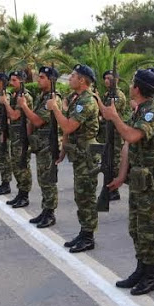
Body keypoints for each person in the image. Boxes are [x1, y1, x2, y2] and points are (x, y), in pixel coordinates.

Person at [101, 69, 154, 295]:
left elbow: (131, 136)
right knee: (137, 229)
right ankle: (141, 269)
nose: (130, 86)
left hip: (152, 180)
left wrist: (115, 117)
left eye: (132, 83)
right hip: (139, 179)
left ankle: (151, 275)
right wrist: (121, 176)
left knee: (149, 229)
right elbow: (128, 147)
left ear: (138, 88)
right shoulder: (140, 111)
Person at [47, 64, 100, 253]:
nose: (70, 78)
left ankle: (88, 236)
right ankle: (84, 231)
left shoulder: (87, 101)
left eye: (73, 76)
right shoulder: (75, 98)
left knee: (86, 195)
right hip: (77, 152)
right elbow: (68, 132)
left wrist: (55, 109)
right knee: (80, 195)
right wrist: (63, 150)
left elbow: (69, 126)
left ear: (83, 80)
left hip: (86, 153)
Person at [18, 66, 60, 228]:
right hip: (40, 144)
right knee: (43, 179)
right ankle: (45, 209)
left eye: (42, 77)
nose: (38, 79)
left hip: (48, 145)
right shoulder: (42, 97)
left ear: (51, 80)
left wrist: (24, 106)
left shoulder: (53, 98)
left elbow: (37, 121)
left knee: (48, 180)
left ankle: (50, 213)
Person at [96, 69, 130, 201]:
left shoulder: (118, 96)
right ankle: (108, 187)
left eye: (110, 78)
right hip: (107, 132)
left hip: (115, 133)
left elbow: (107, 112)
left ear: (116, 79)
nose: (106, 80)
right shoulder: (108, 94)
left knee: (114, 162)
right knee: (106, 161)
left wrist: (97, 99)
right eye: (105, 78)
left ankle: (114, 190)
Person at [0, 71, 33, 208]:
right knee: (15, 165)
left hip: (22, 137)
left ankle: (24, 195)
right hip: (15, 136)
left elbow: (14, 116)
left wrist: (6, 103)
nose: (11, 83)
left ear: (21, 81)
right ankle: (20, 192)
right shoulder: (15, 95)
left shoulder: (25, 97)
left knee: (22, 166)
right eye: (10, 80)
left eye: (14, 80)